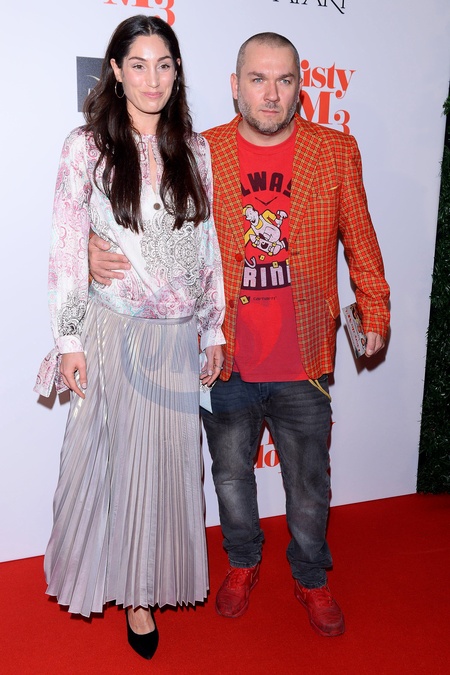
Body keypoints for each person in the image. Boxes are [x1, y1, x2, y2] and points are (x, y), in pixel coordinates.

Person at [89, 32, 390, 638]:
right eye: (258, 79)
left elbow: (360, 235)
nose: (271, 93)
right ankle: (243, 562)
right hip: (223, 354)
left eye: (284, 80)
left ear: (300, 88)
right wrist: (94, 249)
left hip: (304, 356)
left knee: (309, 484)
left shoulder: (336, 151)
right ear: (235, 86)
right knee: (229, 479)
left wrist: (375, 309)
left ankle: (311, 576)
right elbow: (148, 223)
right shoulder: (201, 151)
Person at [34, 15, 225, 660]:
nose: (152, 79)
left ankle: (148, 586)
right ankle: (131, 599)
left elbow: (208, 247)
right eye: (138, 65)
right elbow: (66, 248)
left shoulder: (194, 150)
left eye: (164, 65)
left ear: (177, 72)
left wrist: (213, 326)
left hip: (176, 341)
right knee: (116, 469)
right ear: (115, 71)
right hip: (114, 335)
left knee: (167, 473)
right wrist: (69, 341)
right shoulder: (85, 147)